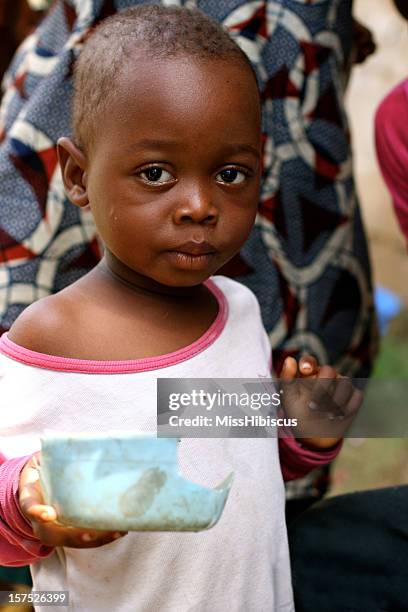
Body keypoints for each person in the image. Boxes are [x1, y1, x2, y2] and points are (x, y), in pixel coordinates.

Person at [0, 7, 361, 610]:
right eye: (156, 173)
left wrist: (302, 436)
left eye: (230, 173)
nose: (199, 205)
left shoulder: (238, 312)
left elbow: (233, 466)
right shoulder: (54, 337)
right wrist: (30, 503)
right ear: (79, 175)